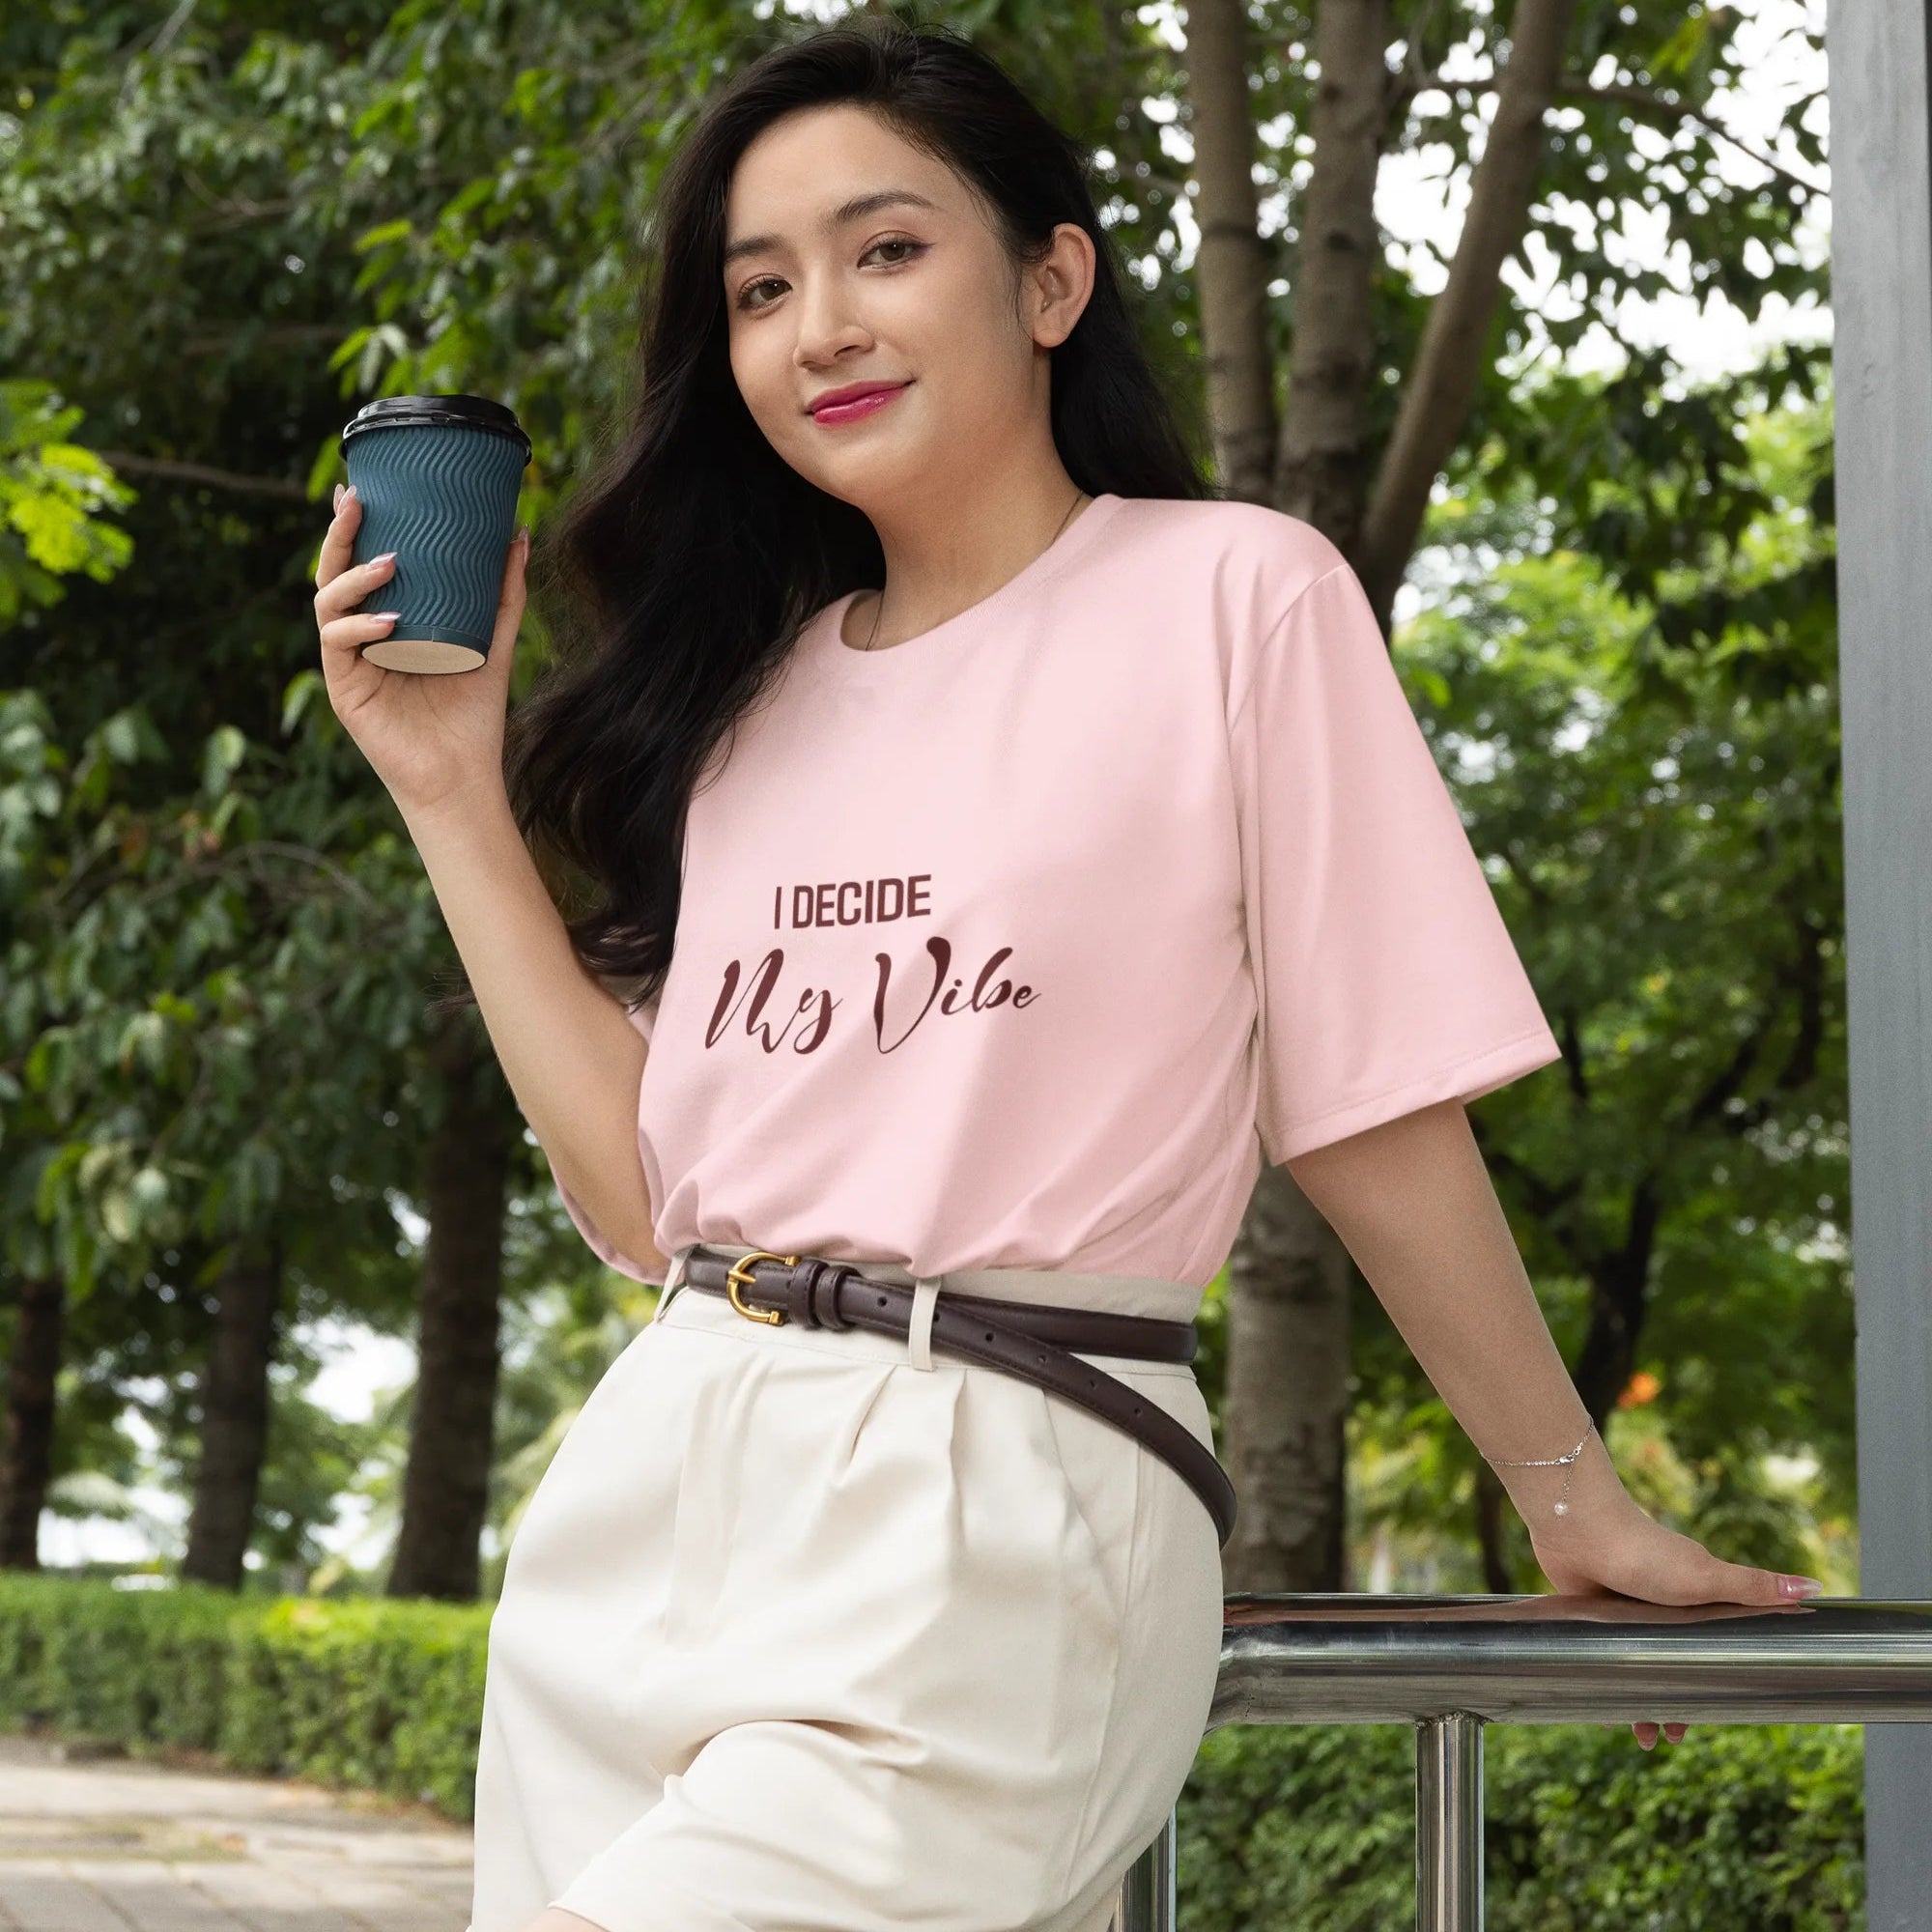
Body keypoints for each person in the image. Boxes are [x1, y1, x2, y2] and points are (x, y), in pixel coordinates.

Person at [311, 19, 1826, 1932]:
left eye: (884, 251)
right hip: (659, 1478)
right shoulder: (752, 709)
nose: (818, 327)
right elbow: (642, 1196)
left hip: (1003, 1466)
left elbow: (1365, 1098)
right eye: (760, 289)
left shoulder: (1233, 597)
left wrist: (1563, 1485)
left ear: (1049, 276)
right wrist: (449, 796)